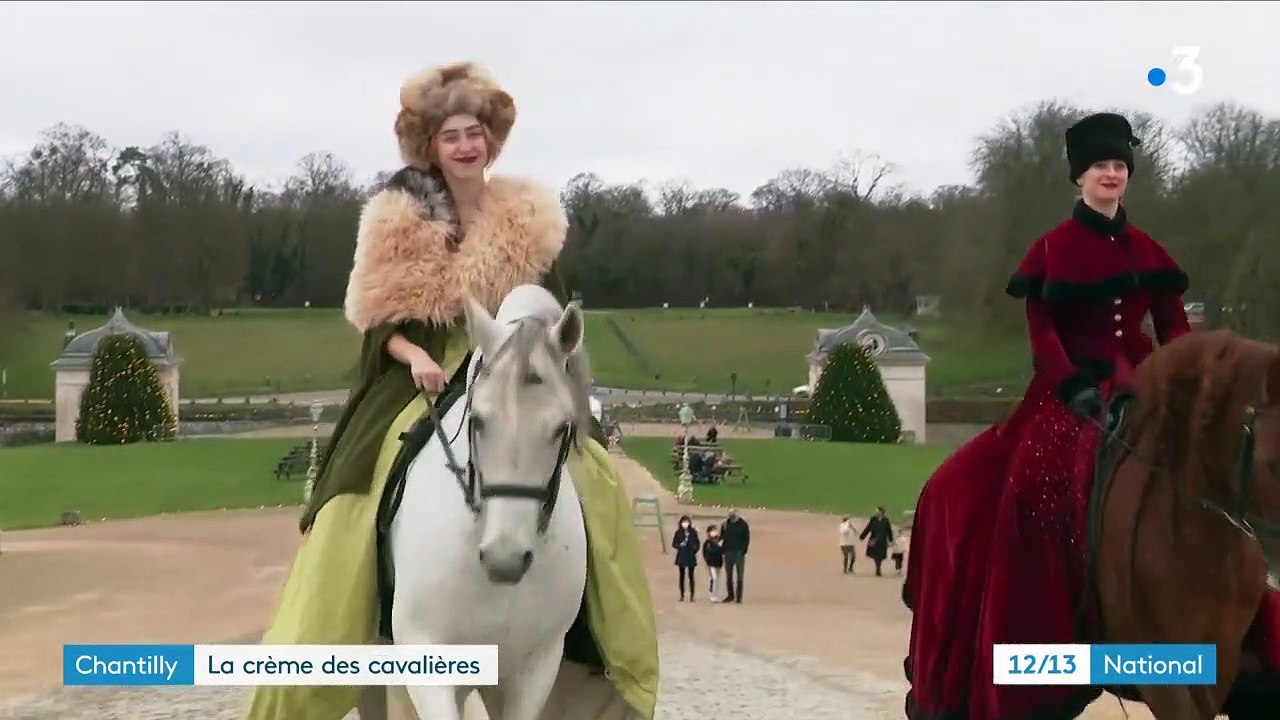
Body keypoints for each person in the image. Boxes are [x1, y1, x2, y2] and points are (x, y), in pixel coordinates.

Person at [243, 61, 657, 720]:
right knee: (359, 484)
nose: (465, 145)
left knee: (597, 476)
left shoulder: (529, 219)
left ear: (490, 140)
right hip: (426, 367)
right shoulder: (398, 219)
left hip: (516, 367)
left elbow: (551, 316)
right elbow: (378, 322)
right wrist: (413, 359)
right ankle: (341, 618)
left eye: (474, 133)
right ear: (431, 147)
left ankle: (605, 645)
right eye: (451, 136)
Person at [901, 112, 1199, 719]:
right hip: (1069, 393)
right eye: (1101, 167)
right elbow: (1044, 335)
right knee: (1006, 483)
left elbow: (1174, 327)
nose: (1112, 175)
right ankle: (1038, 627)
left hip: (1140, 384)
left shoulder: (1149, 251)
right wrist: (1073, 388)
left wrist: (1190, 384)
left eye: (1119, 167)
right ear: (1079, 179)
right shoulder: (1051, 250)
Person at [719, 507, 750, 604]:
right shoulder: (725, 524)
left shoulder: (743, 524)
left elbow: (746, 539)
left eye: (732, 514)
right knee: (729, 576)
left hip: (739, 553)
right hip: (728, 552)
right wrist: (721, 548)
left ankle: (739, 597)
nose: (731, 516)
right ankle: (730, 595)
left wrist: (743, 551)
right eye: (730, 514)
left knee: (740, 576)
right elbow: (722, 537)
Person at [672, 515, 700, 601]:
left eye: (687, 522)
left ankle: (692, 595)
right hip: (682, 555)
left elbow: (697, 543)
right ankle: (682, 595)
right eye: (684, 522)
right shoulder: (678, 532)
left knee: (691, 576)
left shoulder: (693, 532)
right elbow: (674, 544)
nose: (685, 523)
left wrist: (694, 549)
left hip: (690, 555)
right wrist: (680, 546)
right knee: (682, 576)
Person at [860, 507, 892, 576]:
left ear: (881, 512)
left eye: (877, 511)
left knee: (880, 555)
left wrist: (890, 539)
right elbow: (868, 528)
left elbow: (889, 531)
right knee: (875, 555)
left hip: (882, 541)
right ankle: (878, 568)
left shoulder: (886, 520)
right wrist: (862, 536)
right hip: (874, 540)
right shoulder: (873, 519)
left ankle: (878, 568)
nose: (876, 512)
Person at [702, 524, 725, 602]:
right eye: (712, 531)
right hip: (710, 563)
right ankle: (712, 594)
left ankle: (716, 594)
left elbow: (723, 551)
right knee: (714, 578)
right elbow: (705, 552)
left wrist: (720, 547)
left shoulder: (720, 541)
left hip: (718, 562)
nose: (714, 532)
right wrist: (706, 560)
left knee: (717, 579)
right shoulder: (707, 543)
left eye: (715, 530)